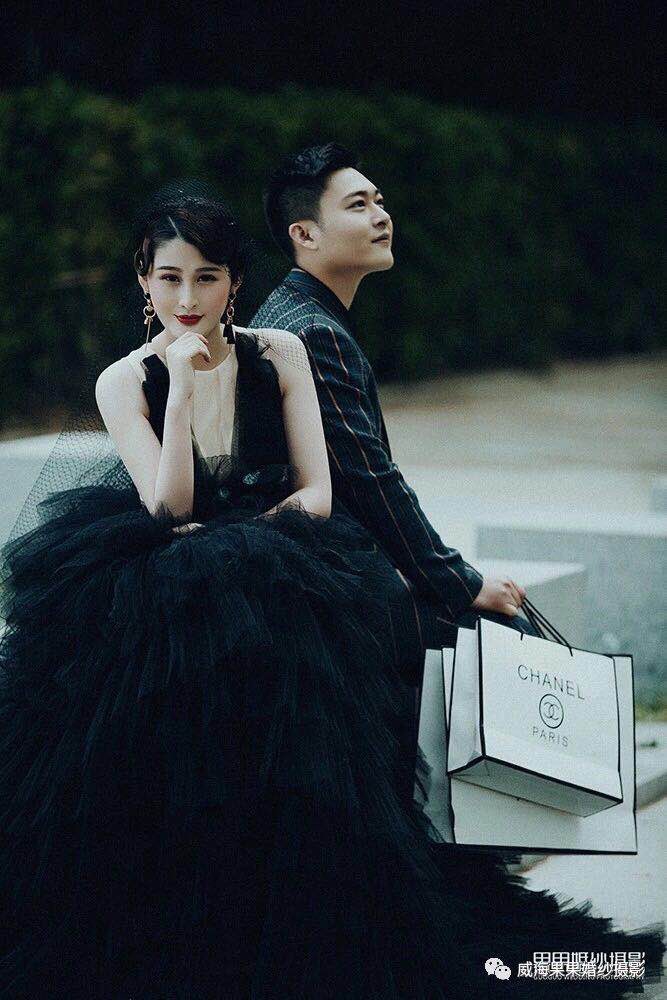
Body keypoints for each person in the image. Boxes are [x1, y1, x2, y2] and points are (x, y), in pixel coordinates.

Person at [0, 182, 661, 999]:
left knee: (307, 679)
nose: (187, 298)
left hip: (281, 554)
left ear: (235, 282)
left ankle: (308, 914)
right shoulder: (123, 380)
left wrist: (248, 537)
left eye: (206, 278)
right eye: (168, 278)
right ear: (143, 281)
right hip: (167, 572)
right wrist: (178, 385)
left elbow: (316, 492)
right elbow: (167, 507)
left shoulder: (281, 351)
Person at [251, 143, 538, 693]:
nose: (381, 216)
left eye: (379, 201)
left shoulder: (298, 312)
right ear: (305, 234)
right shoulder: (314, 333)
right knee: (507, 640)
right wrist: (461, 581)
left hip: (322, 559)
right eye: (357, 205)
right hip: (322, 580)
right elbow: (370, 480)